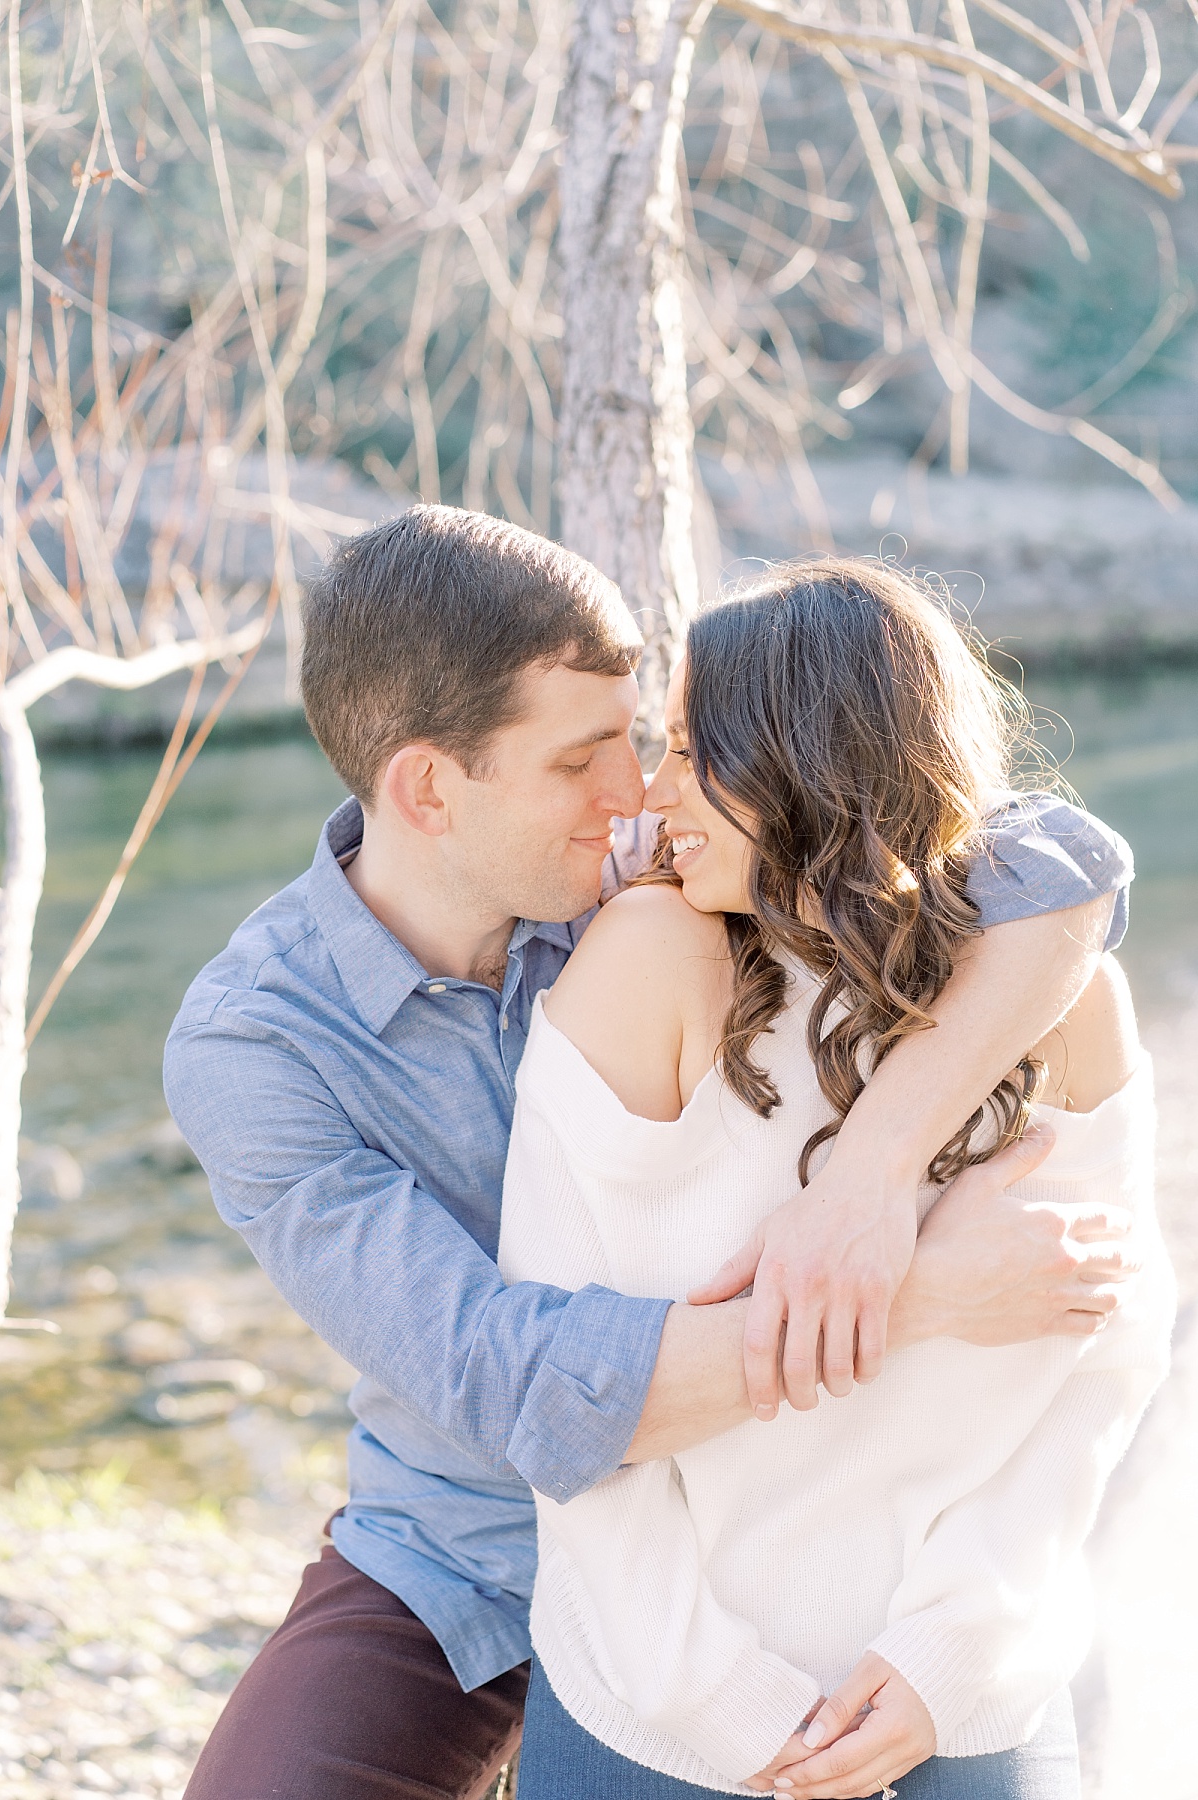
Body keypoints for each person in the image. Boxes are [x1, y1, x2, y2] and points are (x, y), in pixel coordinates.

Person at [164, 509, 1139, 1800]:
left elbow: (1044, 864)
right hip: (461, 1546)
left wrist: (868, 1179)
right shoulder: (258, 1045)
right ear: (428, 789)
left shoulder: (658, 866)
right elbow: (510, 1384)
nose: (633, 792)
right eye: (583, 760)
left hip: (766, 1506)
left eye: (645, 742)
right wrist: (919, 1288)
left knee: (1049, 1689)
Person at [500, 559, 1174, 1800]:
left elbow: (1108, 1361)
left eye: (696, 753)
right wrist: (726, 1705)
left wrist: (953, 1653)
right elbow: (574, 1389)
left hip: (957, 1705)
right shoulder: (649, 968)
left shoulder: (1058, 1004)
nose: (653, 796)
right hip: (657, 1712)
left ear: (810, 760)